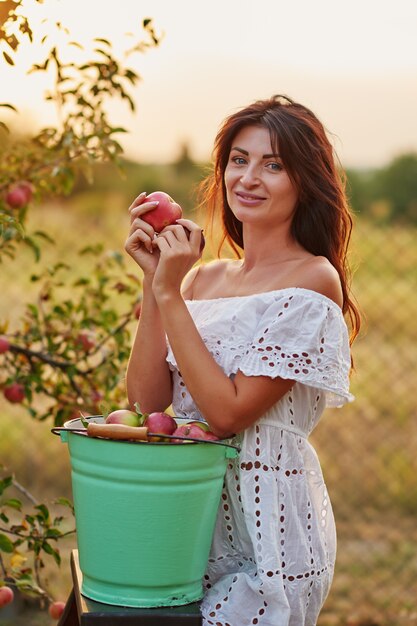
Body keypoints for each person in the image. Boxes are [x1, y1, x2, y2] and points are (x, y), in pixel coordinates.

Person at [124, 94, 361, 626]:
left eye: (273, 165)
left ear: (306, 181)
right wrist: (154, 278)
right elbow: (146, 403)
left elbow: (228, 414)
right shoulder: (204, 278)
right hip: (186, 523)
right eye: (239, 159)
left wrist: (168, 294)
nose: (248, 178)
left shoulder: (312, 278)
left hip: (266, 538)